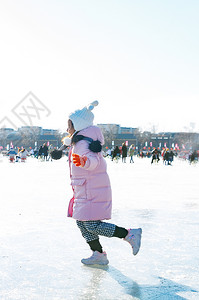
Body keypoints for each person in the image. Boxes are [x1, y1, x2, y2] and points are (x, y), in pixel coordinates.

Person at [63, 101, 142, 265]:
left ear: (77, 124)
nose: (67, 129)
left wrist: (84, 161)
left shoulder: (84, 142)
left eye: (69, 125)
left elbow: (94, 161)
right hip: (84, 187)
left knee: (91, 224)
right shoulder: (80, 140)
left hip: (91, 188)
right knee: (82, 222)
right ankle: (98, 254)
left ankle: (129, 234)